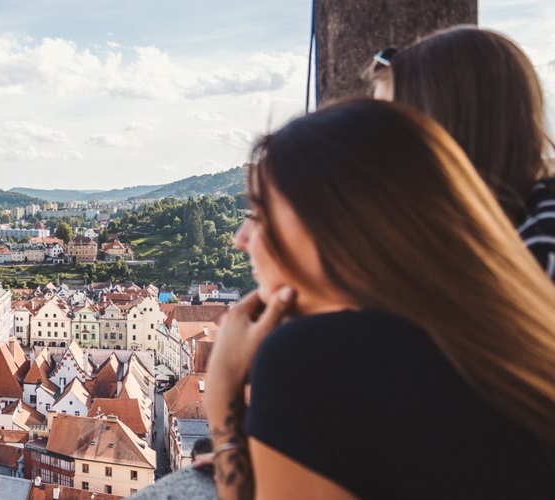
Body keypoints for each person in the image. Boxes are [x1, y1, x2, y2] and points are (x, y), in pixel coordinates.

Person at [206, 100, 555, 499]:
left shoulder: (311, 360)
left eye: (261, 215)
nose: (241, 239)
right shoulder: (510, 326)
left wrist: (222, 396)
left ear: (342, 232)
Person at [368, 26, 555, 277]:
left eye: (386, 128)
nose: (373, 148)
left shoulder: (537, 258)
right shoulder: (489, 231)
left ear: (446, 132)